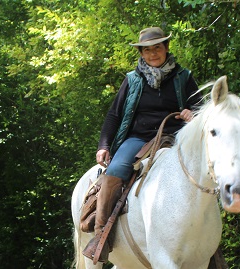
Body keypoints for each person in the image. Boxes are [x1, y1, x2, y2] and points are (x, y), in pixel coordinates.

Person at [82, 26, 202, 262]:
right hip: (137, 139)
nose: (152, 54)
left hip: (176, 137)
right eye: (146, 50)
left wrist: (192, 114)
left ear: (166, 48)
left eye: (157, 48)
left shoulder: (183, 77)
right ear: (141, 53)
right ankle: (101, 237)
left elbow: (201, 110)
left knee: (203, 172)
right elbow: (114, 115)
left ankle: (207, 243)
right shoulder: (132, 79)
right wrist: (104, 144)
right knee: (114, 172)